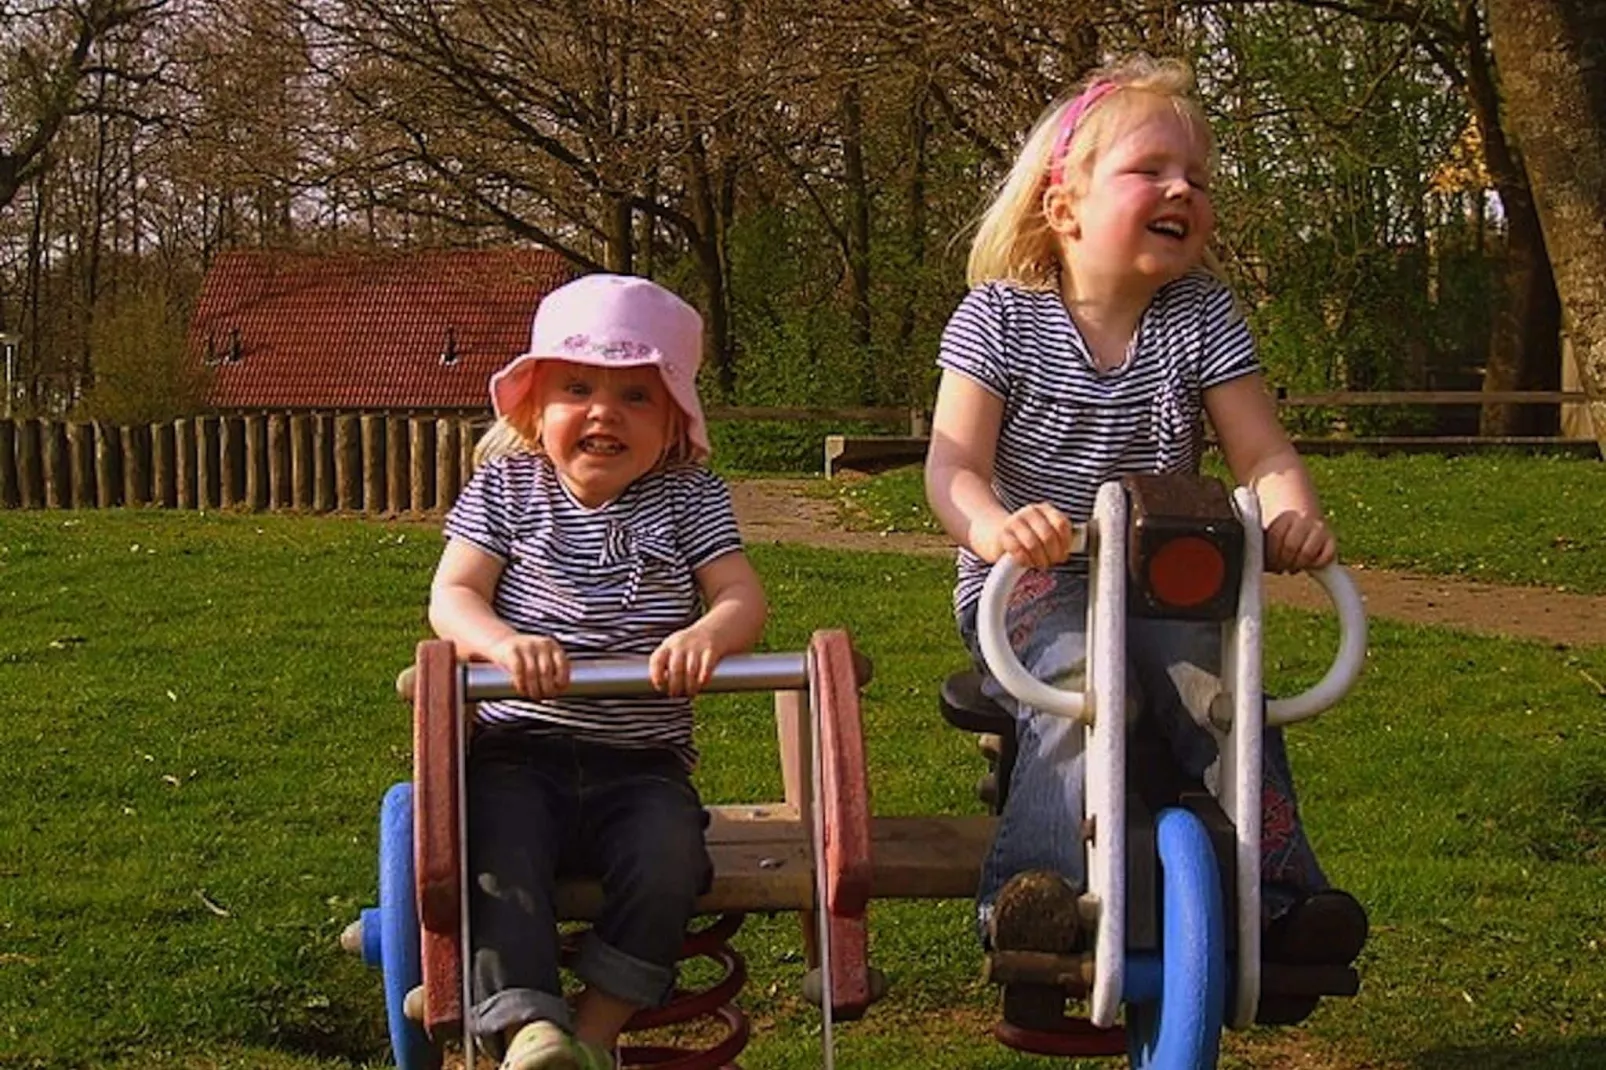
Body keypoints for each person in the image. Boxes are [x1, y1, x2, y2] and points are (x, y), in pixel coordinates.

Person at [923, 55, 1367, 1023]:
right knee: (1087, 684)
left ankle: (1284, 898)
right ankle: (1030, 902)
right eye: (1151, 170)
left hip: (1166, 582)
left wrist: (1288, 507)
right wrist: (996, 524)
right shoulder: (999, 317)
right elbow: (951, 463)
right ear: (1064, 204)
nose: (1183, 191)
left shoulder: (1198, 316)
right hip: (1032, 580)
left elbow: (1262, 448)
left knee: (1222, 698)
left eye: (1198, 180)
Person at [429, 273, 767, 1070]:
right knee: (496, 858)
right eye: (576, 388)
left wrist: (710, 632)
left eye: (635, 397)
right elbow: (451, 595)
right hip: (521, 745)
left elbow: (742, 595)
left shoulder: (689, 497)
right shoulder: (506, 489)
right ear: (534, 408)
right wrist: (503, 644)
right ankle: (529, 1026)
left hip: (642, 761)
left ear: (673, 421)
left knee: (669, 861)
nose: (603, 412)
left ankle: (594, 1034)